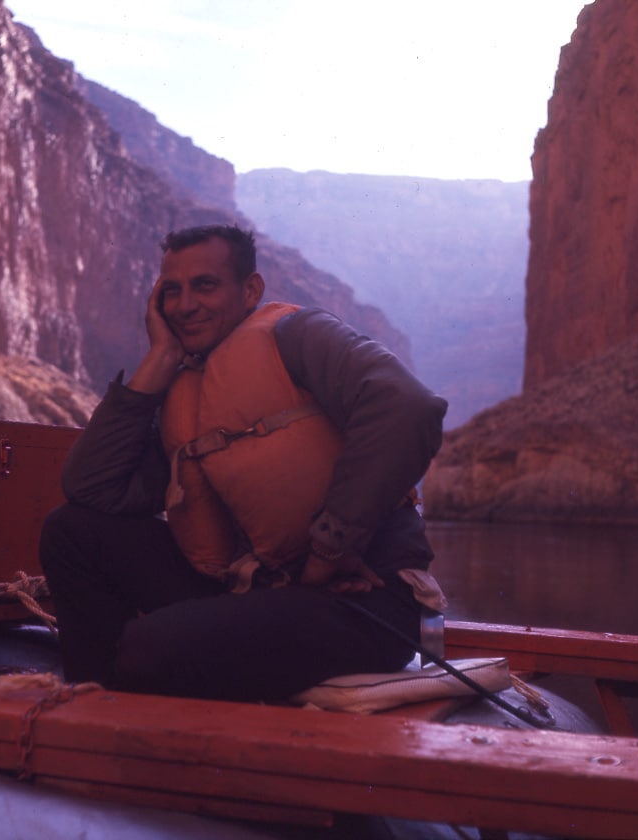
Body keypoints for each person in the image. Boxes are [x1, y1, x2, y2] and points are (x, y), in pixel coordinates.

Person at [39, 224, 448, 702]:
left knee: (149, 647)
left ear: (250, 290)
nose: (185, 304)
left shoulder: (298, 336)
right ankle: (90, 712)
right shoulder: (184, 391)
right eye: (172, 291)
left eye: (205, 285)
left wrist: (331, 547)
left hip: (361, 597)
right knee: (70, 532)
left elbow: (408, 408)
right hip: (257, 594)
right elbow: (91, 488)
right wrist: (161, 356)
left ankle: (126, 704)